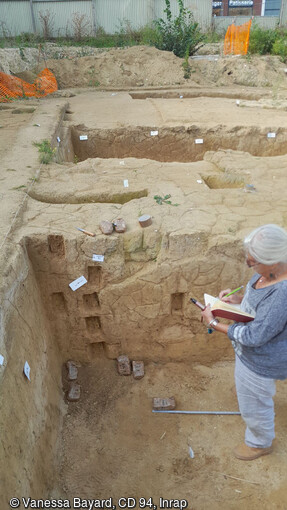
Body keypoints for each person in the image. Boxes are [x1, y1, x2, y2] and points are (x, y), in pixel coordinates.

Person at [201, 224, 287, 461]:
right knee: (249, 392)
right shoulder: (271, 271)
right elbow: (261, 309)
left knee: (255, 408)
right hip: (252, 354)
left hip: (261, 360)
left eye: (253, 262)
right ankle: (248, 393)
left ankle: (260, 443)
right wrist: (239, 301)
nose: (250, 266)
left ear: (274, 261)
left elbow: (255, 337)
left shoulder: (282, 294)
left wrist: (214, 323)